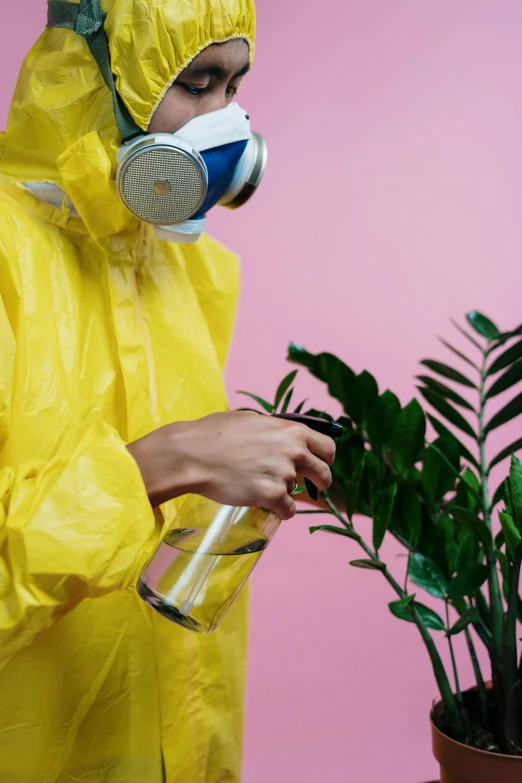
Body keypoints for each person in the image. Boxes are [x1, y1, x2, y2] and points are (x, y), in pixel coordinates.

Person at [0, 0, 336, 780]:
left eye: (235, 86)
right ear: (91, 74)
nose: (224, 120)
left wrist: (275, 458)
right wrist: (160, 463)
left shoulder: (182, 263)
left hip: (168, 738)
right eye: (197, 82)